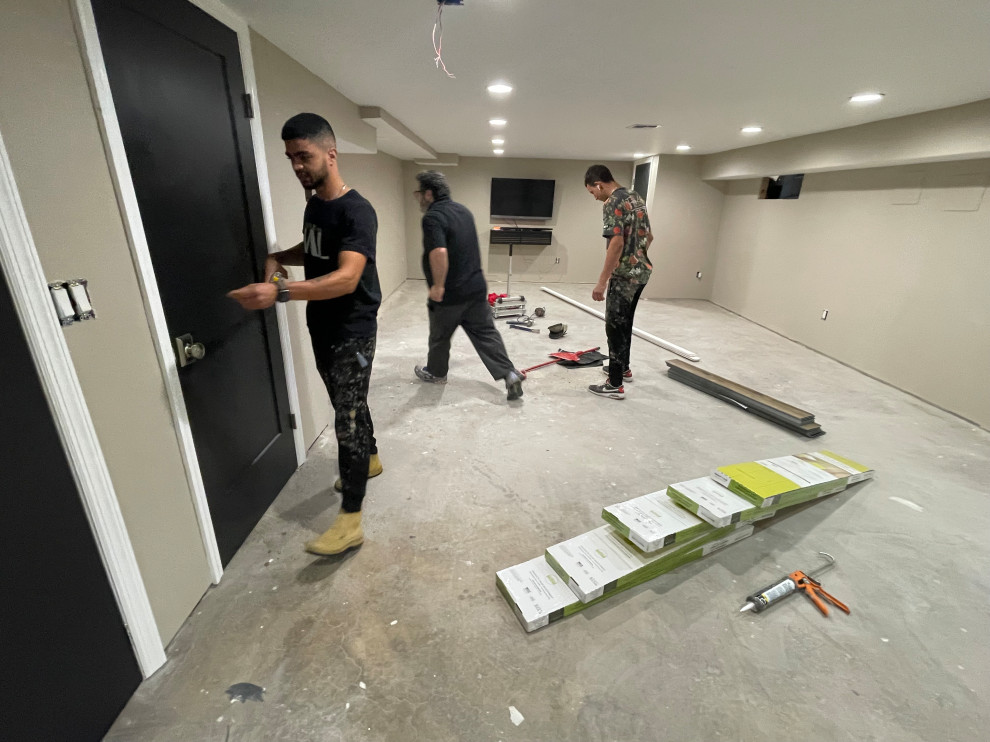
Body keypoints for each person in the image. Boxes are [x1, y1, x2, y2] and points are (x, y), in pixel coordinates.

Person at [228, 113, 381, 555]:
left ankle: (350, 520)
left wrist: (277, 291)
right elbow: (316, 250)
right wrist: (281, 255)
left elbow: (347, 277)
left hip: (352, 330)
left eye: (305, 156)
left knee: (346, 419)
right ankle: (370, 459)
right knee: (346, 402)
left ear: (330, 155)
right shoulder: (316, 204)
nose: (297, 166)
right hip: (322, 323)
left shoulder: (357, 211)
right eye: (291, 158)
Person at [412, 170, 525, 401]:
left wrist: (438, 287)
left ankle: (436, 373)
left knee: (440, 337)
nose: (420, 199)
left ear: (429, 193)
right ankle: (509, 374)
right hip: (475, 289)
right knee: (486, 334)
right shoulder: (463, 211)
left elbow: (439, 251)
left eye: (421, 194)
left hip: (450, 295)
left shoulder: (433, 217)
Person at [584, 164, 654, 400]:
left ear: (598, 184)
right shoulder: (635, 197)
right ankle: (623, 368)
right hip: (641, 273)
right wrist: (637, 258)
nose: (595, 198)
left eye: (593, 192)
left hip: (624, 276)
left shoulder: (612, 202)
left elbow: (616, 244)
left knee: (614, 326)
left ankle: (614, 384)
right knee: (626, 323)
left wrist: (602, 282)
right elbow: (649, 236)